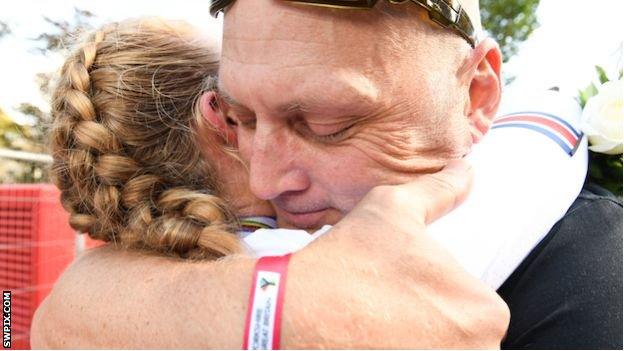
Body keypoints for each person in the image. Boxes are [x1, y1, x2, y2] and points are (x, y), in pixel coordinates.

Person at [34, 0, 622, 348]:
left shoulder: (590, 278)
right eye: (241, 119)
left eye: (326, 124)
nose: (265, 180)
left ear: (477, 95)